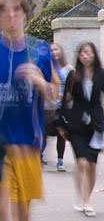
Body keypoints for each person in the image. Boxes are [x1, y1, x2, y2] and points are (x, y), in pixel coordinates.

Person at [0, 0, 57, 221]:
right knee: (2, 213)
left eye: (16, 10)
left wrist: (40, 82)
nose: (10, 17)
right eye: (4, 11)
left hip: (26, 144)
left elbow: (55, 95)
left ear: (24, 13)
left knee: (21, 214)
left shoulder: (39, 51)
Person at [61, 41, 104, 216]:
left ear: (94, 54)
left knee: (91, 164)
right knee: (81, 162)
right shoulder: (74, 75)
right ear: (78, 56)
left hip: (96, 124)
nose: (85, 56)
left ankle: (87, 198)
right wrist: (61, 122)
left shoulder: (103, 75)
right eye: (82, 53)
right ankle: (83, 199)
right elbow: (65, 99)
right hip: (76, 124)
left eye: (88, 52)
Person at [44, 42, 72, 172]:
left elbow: (72, 88)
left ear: (61, 52)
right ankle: (41, 155)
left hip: (62, 106)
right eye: (51, 50)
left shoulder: (69, 69)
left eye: (56, 50)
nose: (54, 52)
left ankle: (60, 160)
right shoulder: (46, 68)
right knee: (44, 132)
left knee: (61, 133)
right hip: (48, 106)